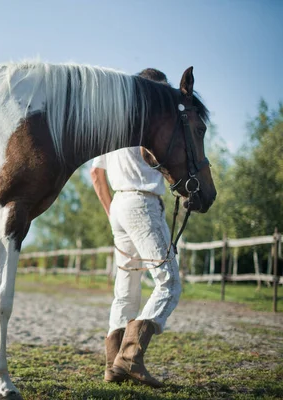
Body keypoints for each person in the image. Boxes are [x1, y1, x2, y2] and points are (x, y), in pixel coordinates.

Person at [90, 68, 181, 388]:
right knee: (169, 283)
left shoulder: (113, 124)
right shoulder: (151, 123)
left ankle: (112, 365)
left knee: (125, 289)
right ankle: (129, 357)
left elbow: (96, 175)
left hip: (119, 205)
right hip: (142, 203)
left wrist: (112, 211)